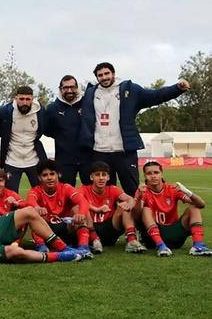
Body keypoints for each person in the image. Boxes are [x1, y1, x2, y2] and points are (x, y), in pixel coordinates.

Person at [79, 62, 189, 195]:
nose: (104, 77)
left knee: (132, 189)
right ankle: (109, 216)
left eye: (106, 73)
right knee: (104, 192)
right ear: (97, 78)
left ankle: (136, 216)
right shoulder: (90, 93)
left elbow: (155, 96)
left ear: (113, 73)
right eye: (100, 75)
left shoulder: (130, 89)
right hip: (99, 150)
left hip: (124, 151)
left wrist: (177, 88)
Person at [135, 161, 211, 256]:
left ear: (162, 174)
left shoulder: (172, 189)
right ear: (145, 176)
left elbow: (201, 204)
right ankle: (161, 246)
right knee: (146, 210)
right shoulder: (143, 190)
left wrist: (186, 191)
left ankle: (198, 246)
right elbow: (136, 217)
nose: (153, 176)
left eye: (156, 172)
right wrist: (139, 197)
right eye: (149, 173)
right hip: (153, 239)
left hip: (174, 233)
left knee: (194, 208)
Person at [25, 160, 93, 258]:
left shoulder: (66, 188)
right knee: (33, 215)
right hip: (47, 232)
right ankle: (41, 247)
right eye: (45, 175)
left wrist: (81, 214)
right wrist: (37, 207)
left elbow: (83, 201)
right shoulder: (36, 190)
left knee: (79, 210)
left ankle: (84, 248)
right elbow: (30, 200)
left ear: (58, 175)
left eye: (52, 174)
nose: (49, 178)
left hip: (65, 228)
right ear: (39, 178)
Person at [79, 161, 144, 254]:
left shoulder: (112, 189)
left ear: (108, 177)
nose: (101, 178)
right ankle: (94, 240)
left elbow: (130, 199)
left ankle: (131, 241)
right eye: (97, 175)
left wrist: (128, 206)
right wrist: (96, 209)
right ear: (91, 177)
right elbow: (78, 202)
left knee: (124, 206)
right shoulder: (83, 189)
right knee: (81, 208)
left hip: (109, 228)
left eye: (104, 175)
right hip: (90, 228)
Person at [0, 86, 47, 193]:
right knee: (11, 196)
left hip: (34, 159)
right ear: (16, 98)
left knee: (42, 193)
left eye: (28, 99)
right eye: (21, 99)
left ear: (32, 99)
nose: (24, 103)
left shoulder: (40, 111)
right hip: (12, 160)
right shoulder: (6, 111)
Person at [45, 75, 91, 186]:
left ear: (77, 87)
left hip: (88, 157)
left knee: (91, 192)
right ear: (60, 89)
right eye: (65, 88)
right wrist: (63, 137)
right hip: (64, 159)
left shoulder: (88, 103)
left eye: (72, 87)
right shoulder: (52, 108)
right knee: (65, 193)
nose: (69, 90)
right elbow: (47, 130)